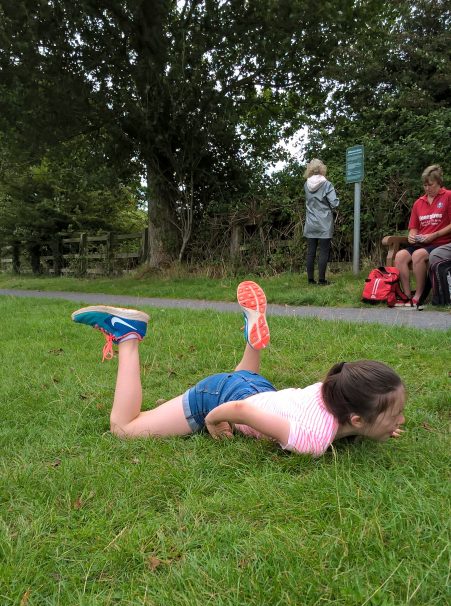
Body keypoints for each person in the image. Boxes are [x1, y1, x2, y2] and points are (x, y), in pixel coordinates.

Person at [71, 281, 405, 455]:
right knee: (125, 428)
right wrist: (215, 419)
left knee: (240, 383)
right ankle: (128, 334)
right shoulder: (311, 439)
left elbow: (251, 404)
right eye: (395, 415)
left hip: (258, 388)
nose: (401, 421)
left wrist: (377, 425)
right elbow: (241, 410)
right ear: (356, 418)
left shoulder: (337, 392)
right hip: (223, 398)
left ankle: (253, 339)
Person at [394, 164, 451, 309]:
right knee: (400, 256)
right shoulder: (419, 203)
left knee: (418, 255)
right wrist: (412, 236)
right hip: (421, 242)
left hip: (440, 243)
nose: (427, 188)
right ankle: (407, 296)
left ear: (439, 182)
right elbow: (413, 228)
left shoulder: (448, 196)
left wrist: (434, 235)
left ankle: (419, 296)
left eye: (430, 185)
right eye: (424, 185)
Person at [303, 158, 339, 285]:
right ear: (322, 169)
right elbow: (334, 203)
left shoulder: (306, 185)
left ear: (310, 170)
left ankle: (310, 280)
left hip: (310, 222)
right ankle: (322, 280)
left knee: (311, 251)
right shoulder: (327, 184)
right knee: (324, 251)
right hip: (324, 222)